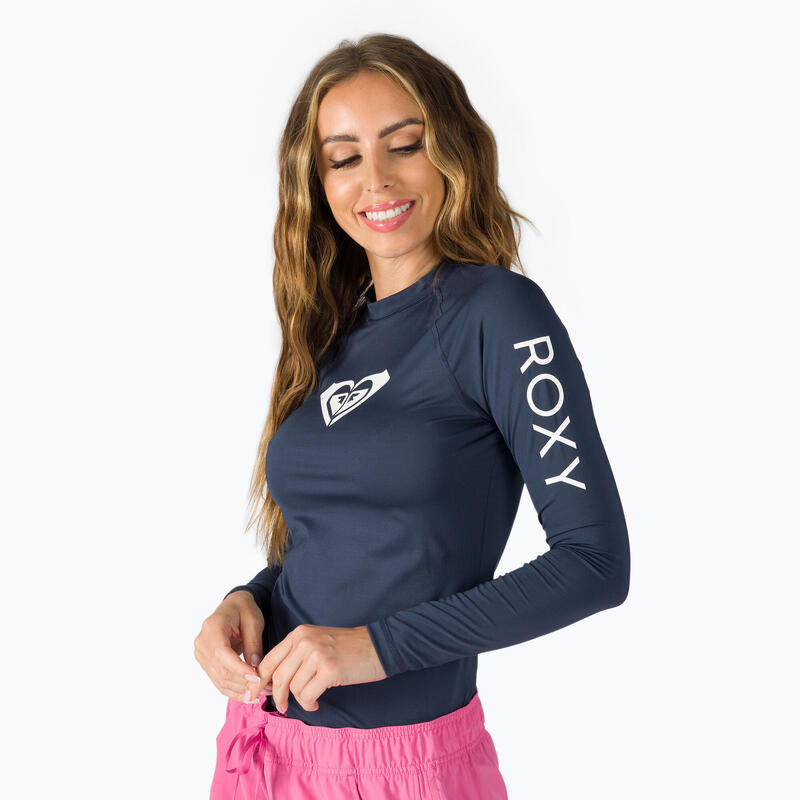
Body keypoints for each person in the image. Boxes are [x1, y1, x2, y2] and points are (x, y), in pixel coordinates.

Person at [194, 32, 630, 800]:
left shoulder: (498, 314)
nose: (377, 180)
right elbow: (341, 548)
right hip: (267, 751)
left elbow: (595, 563)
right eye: (344, 158)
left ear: (452, 151)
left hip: (407, 771)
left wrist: (378, 648)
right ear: (318, 182)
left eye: (404, 145)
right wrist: (248, 600)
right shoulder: (332, 332)